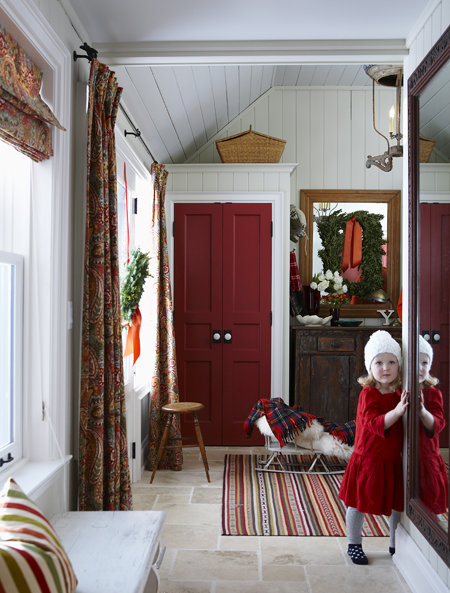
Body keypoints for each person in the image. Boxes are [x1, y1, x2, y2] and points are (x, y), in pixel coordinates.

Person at [339, 330, 408, 564]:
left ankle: (394, 543)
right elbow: (374, 423)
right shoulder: (369, 393)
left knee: (396, 503)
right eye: (379, 362)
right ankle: (353, 543)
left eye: (391, 362)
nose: (386, 368)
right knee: (358, 503)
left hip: (392, 458)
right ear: (370, 366)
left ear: (399, 365)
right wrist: (398, 411)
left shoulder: (399, 393)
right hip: (369, 458)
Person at [417, 335, 448, 515]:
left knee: (429, 504)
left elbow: (437, 424)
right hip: (405, 457)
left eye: (425, 363)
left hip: (427, 457)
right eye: (416, 362)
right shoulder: (399, 390)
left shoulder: (433, 393)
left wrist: (422, 412)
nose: (420, 368)